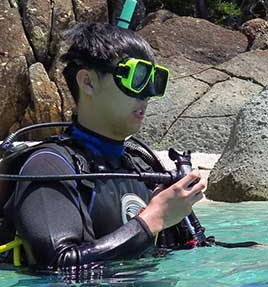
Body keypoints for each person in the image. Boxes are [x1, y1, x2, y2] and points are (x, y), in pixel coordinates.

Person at [0, 23, 207, 272]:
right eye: (137, 77)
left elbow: (198, 246)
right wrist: (153, 219)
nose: (147, 94)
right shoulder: (48, 166)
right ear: (88, 82)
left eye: (155, 81)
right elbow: (60, 264)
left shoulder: (142, 166)